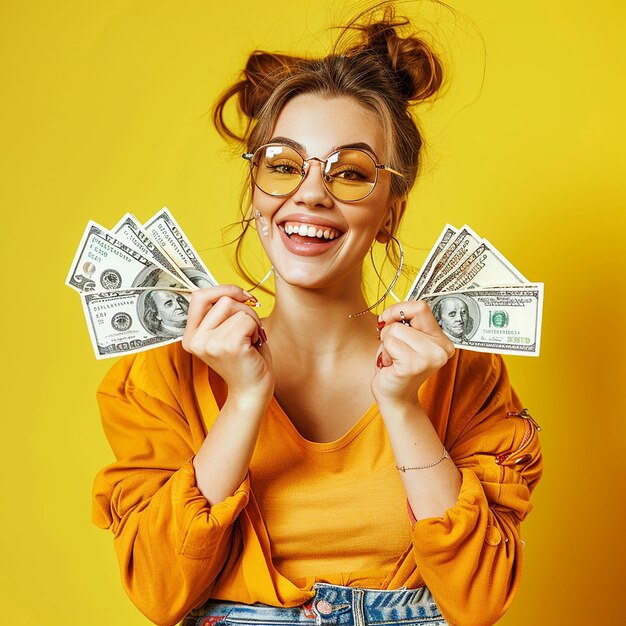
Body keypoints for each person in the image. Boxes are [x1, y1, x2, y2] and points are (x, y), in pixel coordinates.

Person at [92, 5, 542, 626]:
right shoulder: (171, 373)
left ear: (391, 214)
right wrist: (246, 398)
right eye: (283, 165)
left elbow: (480, 599)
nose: (310, 192)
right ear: (255, 196)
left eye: (351, 173)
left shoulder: (456, 372)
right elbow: (159, 592)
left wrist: (406, 407)